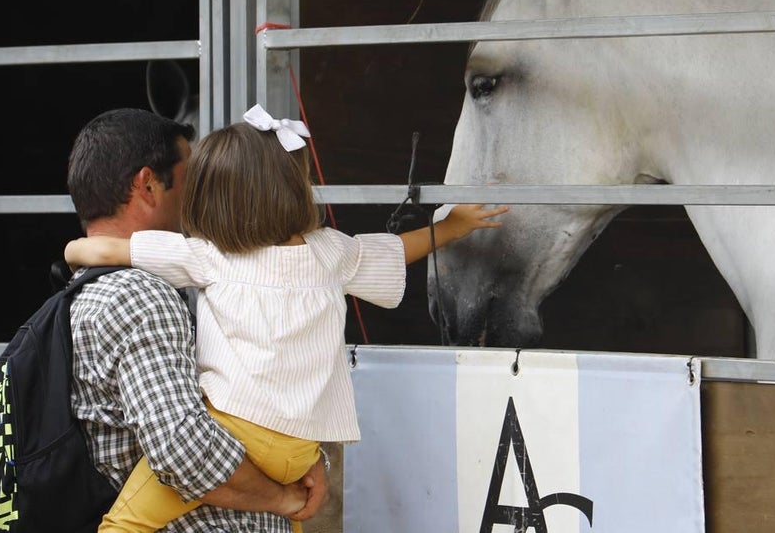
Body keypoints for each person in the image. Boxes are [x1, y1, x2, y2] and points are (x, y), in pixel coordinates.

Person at [65, 104, 509, 533]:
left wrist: (70, 251)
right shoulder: (331, 252)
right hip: (300, 450)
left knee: (122, 524)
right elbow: (394, 250)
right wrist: (451, 227)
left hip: (234, 433)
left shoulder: (208, 256)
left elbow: (104, 250)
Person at [66, 107, 329, 533]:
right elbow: (183, 450)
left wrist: (297, 454)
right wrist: (284, 496)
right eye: (193, 180)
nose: (202, 196)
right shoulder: (141, 297)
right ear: (148, 185)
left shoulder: (86, 290)